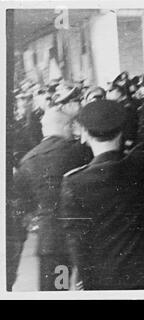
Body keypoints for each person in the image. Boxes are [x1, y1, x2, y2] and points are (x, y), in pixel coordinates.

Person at [60, 82, 144, 290]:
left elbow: (78, 246)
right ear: (121, 131)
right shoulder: (139, 162)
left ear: (84, 134)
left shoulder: (73, 183)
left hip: (107, 280)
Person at [10, 108, 92, 291]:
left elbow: (20, 200)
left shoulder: (28, 159)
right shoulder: (81, 152)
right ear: (65, 126)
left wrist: (32, 219)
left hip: (52, 241)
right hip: (85, 234)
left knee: (56, 289)